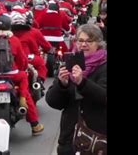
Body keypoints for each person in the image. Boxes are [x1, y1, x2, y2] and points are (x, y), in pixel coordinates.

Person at [0, 11, 44, 135]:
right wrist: (22, 69)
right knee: (25, 85)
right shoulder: (14, 40)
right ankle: (34, 124)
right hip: (13, 74)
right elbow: (22, 60)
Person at [45, 24, 107, 155]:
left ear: (99, 44)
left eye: (89, 41)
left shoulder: (104, 66)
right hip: (69, 139)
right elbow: (53, 102)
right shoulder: (70, 62)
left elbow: (103, 97)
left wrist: (82, 82)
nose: (83, 45)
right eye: (80, 40)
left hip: (96, 140)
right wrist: (62, 84)